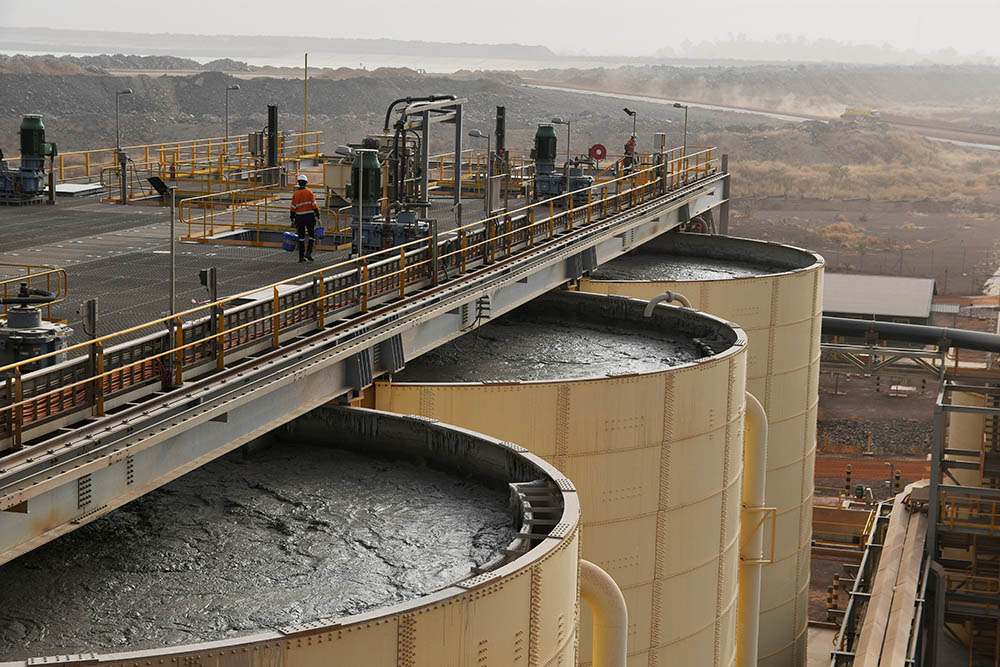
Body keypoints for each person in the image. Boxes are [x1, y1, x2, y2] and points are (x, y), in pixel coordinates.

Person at [289, 173, 319, 262]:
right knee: (311, 236)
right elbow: (314, 205)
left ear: (298, 183)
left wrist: (292, 218)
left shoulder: (296, 194)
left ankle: (301, 257)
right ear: (306, 183)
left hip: (299, 218)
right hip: (309, 217)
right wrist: (317, 215)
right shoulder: (309, 193)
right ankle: (308, 252)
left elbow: (293, 207)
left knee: (301, 238)